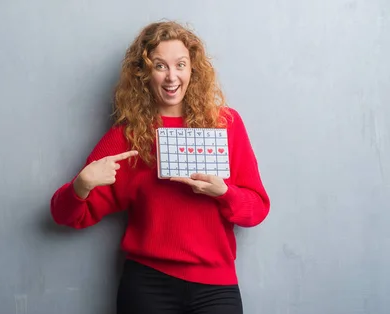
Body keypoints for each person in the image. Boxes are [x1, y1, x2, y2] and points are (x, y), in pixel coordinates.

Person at [50, 20, 270, 314]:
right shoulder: (128, 136)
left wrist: (224, 192)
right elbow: (66, 215)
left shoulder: (225, 125)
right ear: (144, 73)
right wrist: (81, 186)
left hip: (216, 287)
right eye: (159, 66)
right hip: (148, 286)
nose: (171, 77)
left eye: (180, 64)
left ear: (193, 69)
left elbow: (257, 209)